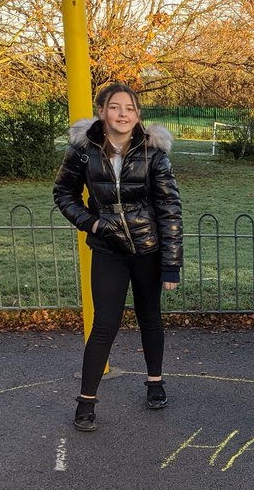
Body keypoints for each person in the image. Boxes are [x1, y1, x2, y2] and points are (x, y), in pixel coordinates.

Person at [53, 82, 183, 432]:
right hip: (108, 250)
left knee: (149, 317)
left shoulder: (154, 154)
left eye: (129, 108)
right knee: (104, 325)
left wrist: (171, 263)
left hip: (148, 250)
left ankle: (155, 384)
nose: (122, 113)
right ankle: (86, 402)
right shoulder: (83, 151)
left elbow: (169, 208)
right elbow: (63, 193)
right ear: (102, 112)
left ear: (138, 115)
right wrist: (91, 223)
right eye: (115, 107)